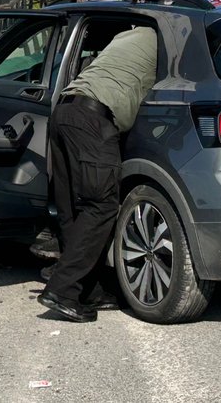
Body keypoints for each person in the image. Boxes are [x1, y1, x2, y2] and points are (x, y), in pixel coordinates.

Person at [38, 26, 157, 323]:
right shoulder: (172, 38)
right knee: (100, 205)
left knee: (72, 211)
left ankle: (85, 291)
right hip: (94, 119)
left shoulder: (127, 35)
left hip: (64, 112)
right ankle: (63, 290)